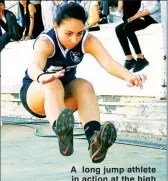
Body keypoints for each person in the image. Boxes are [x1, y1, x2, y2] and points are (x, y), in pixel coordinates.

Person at [20, 3, 146, 163]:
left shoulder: (88, 40)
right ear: (56, 26)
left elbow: (109, 63)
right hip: (36, 96)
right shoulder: (46, 42)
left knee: (85, 85)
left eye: (79, 33)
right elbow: (33, 66)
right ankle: (62, 131)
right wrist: (41, 76)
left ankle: (95, 140)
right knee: (53, 82)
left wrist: (130, 76)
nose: (74, 39)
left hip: (64, 98)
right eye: (68, 33)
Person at [115, 0, 161, 73]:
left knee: (127, 28)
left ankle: (141, 58)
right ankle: (129, 59)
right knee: (118, 29)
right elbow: (142, 8)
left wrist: (137, 16)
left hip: (152, 17)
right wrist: (134, 17)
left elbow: (156, 7)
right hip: (144, 16)